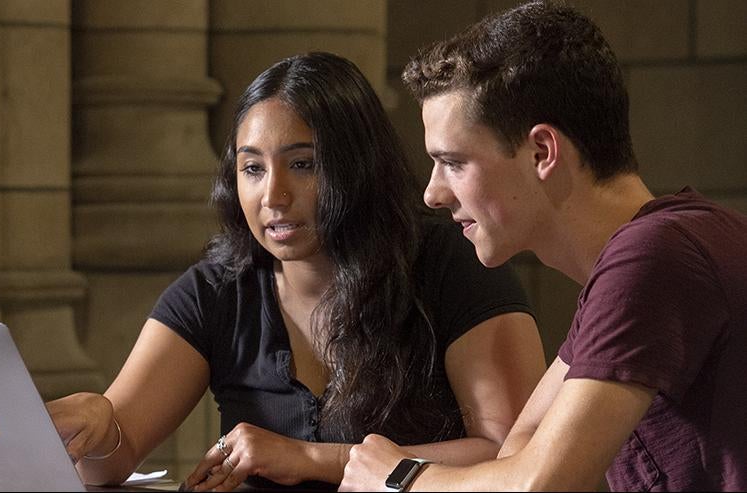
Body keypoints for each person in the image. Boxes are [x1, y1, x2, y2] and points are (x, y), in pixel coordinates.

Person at [46, 52, 545, 491]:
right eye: (253, 168)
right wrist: (99, 425)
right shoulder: (215, 291)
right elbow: (109, 462)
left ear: (359, 166)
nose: (273, 197)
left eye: (303, 165)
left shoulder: (452, 266)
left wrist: (313, 459)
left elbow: (512, 456)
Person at [340, 1, 747, 491]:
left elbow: (538, 484)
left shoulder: (651, 258)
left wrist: (399, 478)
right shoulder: (642, 256)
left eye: (453, 162)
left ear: (542, 152)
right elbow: (519, 450)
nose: (432, 193)